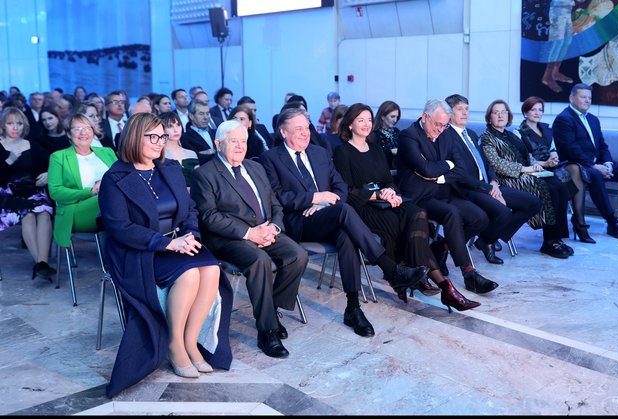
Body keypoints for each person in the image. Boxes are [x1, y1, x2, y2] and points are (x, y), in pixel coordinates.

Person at [260, 107, 428, 337]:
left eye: (306, 128)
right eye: (298, 129)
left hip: (328, 213)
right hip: (299, 221)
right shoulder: (270, 158)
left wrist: (324, 203)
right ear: (283, 131)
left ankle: (353, 307)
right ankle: (391, 270)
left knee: (346, 235)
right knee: (345, 211)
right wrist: (314, 198)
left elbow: (340, 186)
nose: (305, 133)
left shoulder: (319, 153)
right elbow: (277, 196)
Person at [99, 113, 233, 397]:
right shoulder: (115, 177)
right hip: (140, 251)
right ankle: (174, 346)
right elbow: (119, 227)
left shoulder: (169, 168)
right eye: (153, 137)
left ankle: (190, 341)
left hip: (178, 242)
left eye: (162, 137)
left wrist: (190, 235)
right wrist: (165, 243)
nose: (160, 142)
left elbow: (190, 210)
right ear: (136, 137)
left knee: (211, 269)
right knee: (187, 275)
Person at [333, 103, 480, 312]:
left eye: (368, 120)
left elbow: (388, 180)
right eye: (360, 120)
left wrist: (391, 191)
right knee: (399, 223)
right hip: (363, 207)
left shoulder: (375, 148)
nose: (366, 124)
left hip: (386, 200)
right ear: (349, 124)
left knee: (416, 212)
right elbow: (346, 190)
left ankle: (418, 274)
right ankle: (445, 286)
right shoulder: (342, 151)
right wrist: (376, 194)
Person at [191, 120, 308, 358]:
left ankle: (271, 310)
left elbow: (275, 203)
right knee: (259, 261)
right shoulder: (205, 174)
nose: (240, 147)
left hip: (266, 229)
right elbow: (209, 217)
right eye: (233, 141)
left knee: (298, 255)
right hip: (230, 238)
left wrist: (273, 228)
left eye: (243, 141)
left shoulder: (255, 168)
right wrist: (249, 233)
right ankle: (267, 331)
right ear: (218, 144)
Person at [396, 100, 499, 295]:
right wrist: (446, 164)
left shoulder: (445, 134)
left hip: (445, 192)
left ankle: (441, 246)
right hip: (420, 197)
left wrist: (439, 174)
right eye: (438, 124)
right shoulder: (408, 136)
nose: (441, 129)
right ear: (425, 117)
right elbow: (424, 168)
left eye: (444, 125)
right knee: (452, 214)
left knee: (480, 218)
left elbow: (459, 168)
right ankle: (469, 274)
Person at [441, 94, 542, 265]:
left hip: (489, 185)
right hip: (469, 189)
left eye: (467, 108)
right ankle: (485, 241)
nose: (465, 112)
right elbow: (460, 174)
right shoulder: (446, 136)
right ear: (449, 113)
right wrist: (489, 190)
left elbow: (486, 163)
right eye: (460, 109)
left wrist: (494, 182)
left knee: (533, 203)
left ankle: (487, 239)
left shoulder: (471, 133)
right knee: (502, 212)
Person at [552, 83, 618, 239]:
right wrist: (595, 165)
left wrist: (607, 163)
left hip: (596, 163)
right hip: (574, 166)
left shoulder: (593, 119)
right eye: (583, 97)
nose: (587, 100)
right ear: (572, 98)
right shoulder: (563, 119)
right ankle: (612, 223)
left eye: (589, 97)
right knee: (595, 175)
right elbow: (571, 149)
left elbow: (601, 145)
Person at [481, 99, 572, 259]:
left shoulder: (511, 135)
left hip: (524, 174)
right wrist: (525, 169)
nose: (500, 115)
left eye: (504, 112)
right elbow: (496, 164)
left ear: (508, 115)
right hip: (506, 179)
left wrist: (538, 164)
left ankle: (557, 237)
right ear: (490, 118)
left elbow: (527, 157)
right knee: (547, 189)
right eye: (496, 113)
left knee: (559, 185)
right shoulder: (487, 137)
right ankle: (549, 241)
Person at [517, 96, 594, 243]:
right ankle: (576, 226)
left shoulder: (546, 127)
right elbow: (524, 159)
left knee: (576, 168)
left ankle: (579, 221)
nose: (537, 113)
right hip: (536, 169)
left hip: (552, 165)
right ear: (525, 112)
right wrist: (546, 163)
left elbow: (552, 148)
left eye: (540, 110)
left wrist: (554, 157)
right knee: (561, 183)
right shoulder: (519, 132)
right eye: (533, 110)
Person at [48, 113, 117, 249]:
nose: (83, 133)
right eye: (77, 129)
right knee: (110, 197)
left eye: (87, 128)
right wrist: (92, 191)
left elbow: (123, 177)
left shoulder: (107, 152)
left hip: (111, 208)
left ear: (93, 131)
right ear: (68, 133)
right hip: (76, 212)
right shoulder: (58, 157)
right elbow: (56, 192)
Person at [0, 107, 54, 279]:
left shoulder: (33, 145)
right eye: (10, 124)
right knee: (28, 215)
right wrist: (9, 160)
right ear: (3, 126)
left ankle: (41, 264)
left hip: (33, 190)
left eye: (19, 123)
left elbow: (53, 162)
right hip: (9, 193)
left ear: (25, 126)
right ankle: (40, 263)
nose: (15, 128)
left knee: (44, 213)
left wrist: (48, 173)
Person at [159, 111, 199, 187]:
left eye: (178, 125)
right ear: (162, 129)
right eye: (170, 126)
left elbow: (200, 181)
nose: (176, 130)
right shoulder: (159, 155)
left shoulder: (191, 154)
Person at [369, 100, 401, 170]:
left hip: (399, 173)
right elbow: (372, 157)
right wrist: (391, 151)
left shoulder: (397, 132)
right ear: (383, 116)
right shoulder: (374, 135)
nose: (395, 120)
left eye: (397, 117)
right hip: (382, 174)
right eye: (392, 116)